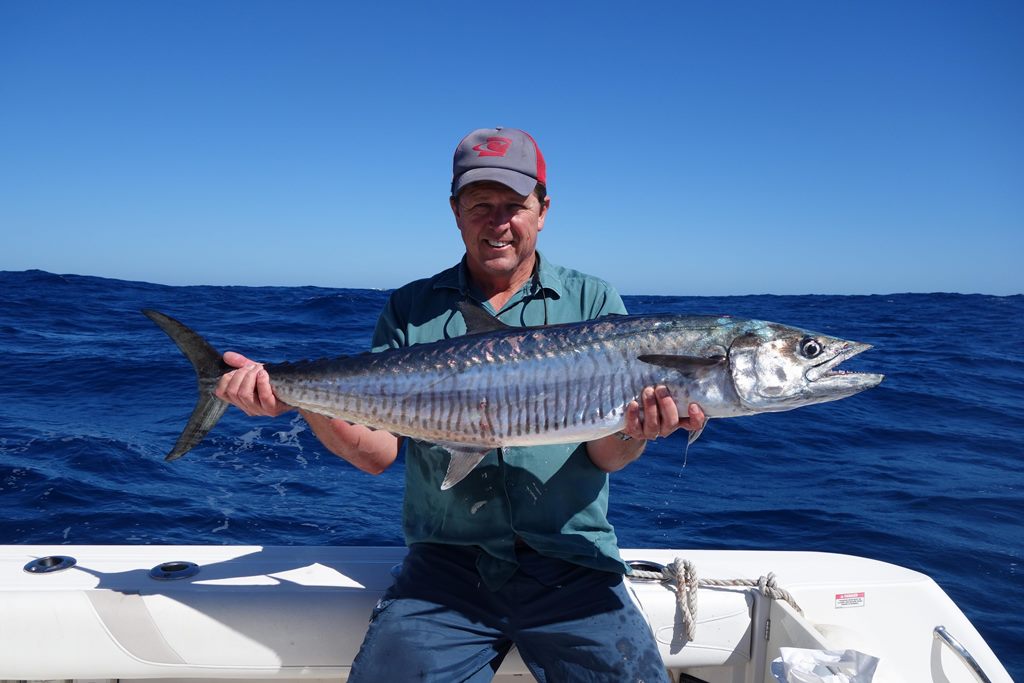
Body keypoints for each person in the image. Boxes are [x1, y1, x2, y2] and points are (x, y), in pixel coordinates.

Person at [216, 127, 706, 682]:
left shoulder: (593, 302)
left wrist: (636, 430)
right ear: (455, 211)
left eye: (514, 206)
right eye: (480, 206)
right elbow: (376, 455)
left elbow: (607, 456)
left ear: (543, 210)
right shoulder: (412, 308)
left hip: (572, 561)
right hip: (445, 571)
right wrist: (301, 398)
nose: (498, 223)